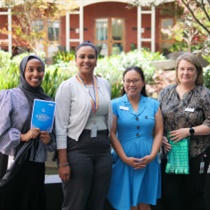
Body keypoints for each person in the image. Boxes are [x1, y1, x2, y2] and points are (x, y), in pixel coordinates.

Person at [55, 41, 113, 210]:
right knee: (75, 203)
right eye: (82, 56)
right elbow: (60, 127)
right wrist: (63, 163)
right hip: (78, 147)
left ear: (96, 60)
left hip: (102, 148)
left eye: (91, 57)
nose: (86, 60)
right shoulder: (67, 86)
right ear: (75, 60)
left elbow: (108, 117)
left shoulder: (105, 84)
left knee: (98, 201)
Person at [0, 55, 56, 210]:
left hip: (35, 164)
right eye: (30, 69)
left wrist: (48, 140)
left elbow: (54, 141)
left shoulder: (48, 102)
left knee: (32, 202)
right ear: (23, 72)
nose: (36, 74)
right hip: (11, 161)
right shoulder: (10, 96)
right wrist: (23, 136)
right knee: (10, 201)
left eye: (40, 70)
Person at [158, 52, 210, 210]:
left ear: (197, 72)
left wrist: (189, 131)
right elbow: (157, 119)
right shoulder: (165, 93)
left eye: (190, 69)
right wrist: (159, 137)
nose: (185, 73)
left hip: (196, 153)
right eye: (182, 69)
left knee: (194, 196)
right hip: (170, 153)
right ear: (177, 71)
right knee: (171, 195)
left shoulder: (204, 94)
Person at [107, 66, 163, 210]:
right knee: (128, 203)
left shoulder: (154, 105)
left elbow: (159, 131)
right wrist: (125, 158)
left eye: (136, 80)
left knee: (145, 202)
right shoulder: (115, 105)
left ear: (143, 83)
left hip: (148, 161)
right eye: (128, 81)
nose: (131, 84)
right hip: (123, 160)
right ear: (123, 83)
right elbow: (111, 133)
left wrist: (152, 155)